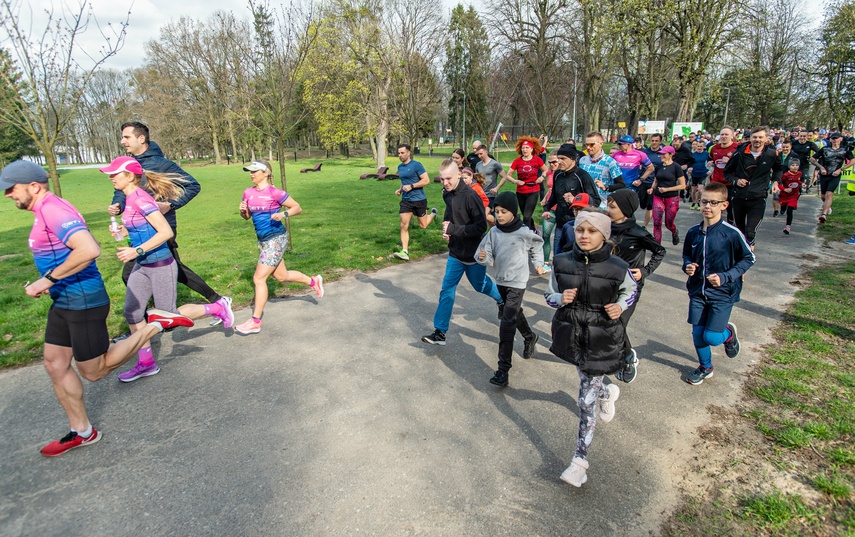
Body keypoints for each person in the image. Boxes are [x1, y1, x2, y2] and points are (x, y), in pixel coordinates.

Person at [1, 160, 194, 456]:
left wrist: (47, 279)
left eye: (11, 189)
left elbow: (89, 249)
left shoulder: (53, 209)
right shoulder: (44, 209)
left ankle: (157, 323)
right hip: (63, 298)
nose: (8, 195)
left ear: (33, 186)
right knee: (55, 363)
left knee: (93, 370)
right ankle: (82, 431)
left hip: (82, 299)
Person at [101, 157, 233, 382]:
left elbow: (165, 232)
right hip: (143, 265)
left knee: (167, 316)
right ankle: (146, 363)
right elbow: (143, 227)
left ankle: (218, 307)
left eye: (115, 173)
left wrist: (136, 251)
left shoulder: (141, 199)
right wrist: (124, 232)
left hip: (160, 264)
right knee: (133, 313)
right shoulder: (130, 198)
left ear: (130, 176)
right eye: (110, 174)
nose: (111, 177)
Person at [545, 208, 637, 487]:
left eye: (592, 231)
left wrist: (619, 306)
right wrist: (561, 297)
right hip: (572, 334)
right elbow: (549, 295)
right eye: (580, 230)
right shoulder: (560, 262)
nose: (584, 236)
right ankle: (607, 391)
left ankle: (579, 463)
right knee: (590, 384)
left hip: (602, 338)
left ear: (604, 235)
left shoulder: (618, 267)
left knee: (585, 401)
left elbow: (630, 292)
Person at [109, 122, 227, 337]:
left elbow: (193, 185)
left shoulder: (161, 163)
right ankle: (212, 303)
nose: (122, 141)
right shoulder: (129, 164)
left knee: (140, 272)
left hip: (160, 227)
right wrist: (117, 206)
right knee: (173, 270)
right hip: (137, 229)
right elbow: (123, 193)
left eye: (126, 137)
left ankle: (146, 324)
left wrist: (171, 204)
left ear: (141, 139)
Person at [236, 160, 324, 335]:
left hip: (276, 239)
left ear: (266, 173)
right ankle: (313, 281)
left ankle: (255, 321)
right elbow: (247, 217)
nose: (251, 174)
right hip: (263, 240)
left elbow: (297, 208)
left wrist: (283, 214)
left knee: (259, 279)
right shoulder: (248, 193)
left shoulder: (275, 193)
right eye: (249, 171)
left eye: (255, 171)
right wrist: (242, 211)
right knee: (282, 276)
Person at [422, 159, 504, 346]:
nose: (445, 183)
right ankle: (440, 332)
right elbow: (450, 214)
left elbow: (480, 227)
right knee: (447, 290)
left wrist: (454, 229)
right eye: (442, 179)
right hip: (456, 254)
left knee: (480, 285)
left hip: (474, 253)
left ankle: (501, 299)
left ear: (459, 174)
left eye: (448, 179)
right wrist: (447, 229)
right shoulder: (447, 193)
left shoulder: (471, 196)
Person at [681, 182, 754, 385]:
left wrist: (726, 276)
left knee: (712, 337)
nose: (708, 206)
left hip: (723, 293)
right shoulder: (693, 232)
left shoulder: (731, 233)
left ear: (724, 205)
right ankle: (706, 367)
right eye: (704, 201)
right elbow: (687, 255)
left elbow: (749, 259)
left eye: (714, 202)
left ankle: (728, 333)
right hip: (697, 292)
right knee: (698, 334)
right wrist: (688, 266)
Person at [476, 192, 546, 387]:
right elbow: (485, 252)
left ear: (513, 212)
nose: (499, 215)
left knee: (507, 323)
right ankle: (530, 336)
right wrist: (483, 257)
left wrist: (538, 263)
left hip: (518, 282)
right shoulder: (494, 232)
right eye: (496, 211)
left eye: (503, 211)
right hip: (501, 280)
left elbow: (537, 245)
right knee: (515, 313)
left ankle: (503, 370)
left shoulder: (524, 232)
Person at [605, 190, 666, 383]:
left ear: (625, 210)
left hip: (629, 288)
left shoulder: (638, 232)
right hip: (607, 284)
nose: (607, 209)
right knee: (607, 324)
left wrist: (645, 271)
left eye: (612, 207)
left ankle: (628, 358)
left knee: (617, 324)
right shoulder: (604, 228)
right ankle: (617, 351)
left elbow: (660, 251)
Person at [724, 126, 782, 249]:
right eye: (754, 137)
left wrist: (776, 181)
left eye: (761, 137)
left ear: (766, 139)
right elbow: (727, 172)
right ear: (750, 138)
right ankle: (743, 250)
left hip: (758, 197)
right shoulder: (739, 153)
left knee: (751, 231)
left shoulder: (771, 154)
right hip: (739, 196)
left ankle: (748, 253)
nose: (757, 140)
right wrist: (736, 181)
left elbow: (779, 168)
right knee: (739, 229)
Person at [542, 144, 599, 258]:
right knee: (558, 259)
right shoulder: (557, 174)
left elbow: (595, 201)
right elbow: (554, 196)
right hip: (560, 224)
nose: (559, 162)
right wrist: (547, 208)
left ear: (573, 159)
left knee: (574, 260)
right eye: (558, 158)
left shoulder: (582, 176)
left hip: (577, 226)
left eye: (563, 159)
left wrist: (575, 200)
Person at [392, 144, 437, 261]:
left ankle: (432, 214)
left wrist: (412, 186)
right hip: (406, 200)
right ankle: (405, 251)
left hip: (419, 200)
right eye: (398, 153)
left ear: (408, 153)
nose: (400, 155)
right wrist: (400, 189)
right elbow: (404, 181)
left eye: (402, 153)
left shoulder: (417, 165)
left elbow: (426, 180)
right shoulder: (400, 167)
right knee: (403, 224)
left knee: (423, 225)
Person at [495, 136, 547, 231]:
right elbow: (508, 175)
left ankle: (526, 236)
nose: (525, 150)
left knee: (526, 217)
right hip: (521, 191)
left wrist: (541, 177)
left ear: (532, 149)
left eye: (527, 148)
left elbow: (546, 170)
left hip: (533, 190)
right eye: (523, 148)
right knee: (526, 214)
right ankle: (534, 231)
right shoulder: (517, 161)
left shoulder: (537, 160)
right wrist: (515, 181)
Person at [810, 132, 854, 223]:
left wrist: (841, 169)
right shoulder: (825, 149)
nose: (835, 140)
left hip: (835, 175)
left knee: (829, 194)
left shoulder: (845, 150)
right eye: (833, 138)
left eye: (836, 138)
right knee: (823, 196)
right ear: (830, 139)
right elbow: (812, 159)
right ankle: (828, 207)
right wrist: (821, 167)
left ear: (841, 139)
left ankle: (824, 215)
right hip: (824, 174)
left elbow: (853, 161)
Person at [648, 146, 686, 245]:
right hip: (658, 197)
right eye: (661, 154)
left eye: (664, 154)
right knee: (656, 223)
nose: (661, 156)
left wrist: (667, 189)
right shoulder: (659, 167)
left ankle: (674, 231)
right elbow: (656, 180)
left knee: (669, 223)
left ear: (671, 154)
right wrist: (652, 188)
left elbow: (683, 185)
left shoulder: (676, 167)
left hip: (671, 198)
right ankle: (657, 247)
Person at [578, 131, 625, 209]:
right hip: (584, 205)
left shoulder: (610, 162)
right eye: (587, 145)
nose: (588, 148)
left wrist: (606, 187)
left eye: (592, 144)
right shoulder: (582, 160)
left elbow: (621, 185)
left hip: (601, 207)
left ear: (601, 144)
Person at [708, 126, 738, 224]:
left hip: (730, 182)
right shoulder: (714, 148)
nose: (724, 136)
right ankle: (715, 225)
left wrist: (730, 161)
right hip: (717, 182)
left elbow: (741, 164)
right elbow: (712, 159)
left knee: (730, 207)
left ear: (732, 136)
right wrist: (711, 163)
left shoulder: (736, 148)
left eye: (726, 134)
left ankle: (730, 224)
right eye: (722, 134)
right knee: (715, 205)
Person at [640, 133, 666, 227]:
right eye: (652, 140)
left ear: (660, 142)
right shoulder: (644, 152)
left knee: (650, 206)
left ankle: (644, 226)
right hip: (643, 181)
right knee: (642, 205)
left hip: (654, 182)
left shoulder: (663, 153)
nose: (654, 143)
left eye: (656, 141)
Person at [540, 152, 560, 269]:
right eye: (550, 162)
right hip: (550, 208)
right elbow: (550, 189)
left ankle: (558, 262)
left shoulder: (563, 175)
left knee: (559, 238)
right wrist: (545, 198)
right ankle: (546, 262)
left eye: (554, 162)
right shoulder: (549, 173)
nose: (552, 164)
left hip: (562, 210)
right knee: (546, 235)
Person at [777, 159, 804, 235]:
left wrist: (802, 184)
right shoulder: (785, 175)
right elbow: (779, 184)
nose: (795, 167)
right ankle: (782, 208)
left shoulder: (799, 173)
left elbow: (798, 181)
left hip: (794, 195)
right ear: (789, 166)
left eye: (796, 165)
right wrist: (784, 189)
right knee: (783, 208)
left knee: (790, 210)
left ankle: (787, 227)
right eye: (793, 165)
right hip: (785, 195)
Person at [689, 138, 711, 210]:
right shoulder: (693, 154)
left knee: (700, 190)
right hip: (694, 173)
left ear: (704, 147)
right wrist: (690, 168)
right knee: (693, 190)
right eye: (698, 146)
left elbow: (711, 162)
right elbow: (689, 163)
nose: (699, 148)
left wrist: (709, 170)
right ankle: (693, 202)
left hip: (703, 173)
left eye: (701, 146)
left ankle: (698, 202)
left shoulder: (707, 154)